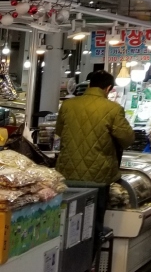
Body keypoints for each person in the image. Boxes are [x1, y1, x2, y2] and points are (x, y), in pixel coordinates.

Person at [55, 68, 134, 250]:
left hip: (68, 174)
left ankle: (66, 257)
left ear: (90, 84)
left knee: (67, 219)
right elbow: (127, 139)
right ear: (108, 88)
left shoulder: (68, 105)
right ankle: (89, 260)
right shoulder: (113, 109)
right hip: (98, 177)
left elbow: (59, 131)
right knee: (92, 222)